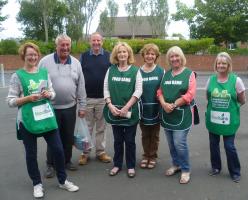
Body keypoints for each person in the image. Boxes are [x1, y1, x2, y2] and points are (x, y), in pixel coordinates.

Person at [7, 42, 79, 198]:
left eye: (34, 54)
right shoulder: (17, 76)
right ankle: (37, 184)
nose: (32, 57)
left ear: (37, 56)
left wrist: (49, 94)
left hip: (45, 116)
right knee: (31, 154)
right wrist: (27, 98)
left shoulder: (44, 73)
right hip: (28, 120)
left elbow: (52, 92)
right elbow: (10, 101)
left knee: (59, 150)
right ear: (23, 56)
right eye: (29, 55)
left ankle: (62, 180)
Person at [38, 34, 87, 177]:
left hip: (70, 107)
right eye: (62, 45)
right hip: (50, 108)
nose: (65, 48)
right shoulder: (45, 62)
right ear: (57, 46)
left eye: (67, 45)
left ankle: (66, 161)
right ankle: (50, 164)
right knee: (52, 137)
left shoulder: (76, 63)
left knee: (68, 137)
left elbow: (81, 86)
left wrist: (82, 106)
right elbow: (39, 82)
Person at [103, 42, 143, 178]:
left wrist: (126, 107)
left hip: (130, 112)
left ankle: (131, 165)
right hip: (114, 111)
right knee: (118, 140)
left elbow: (138, 90)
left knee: (130, 141)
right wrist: (110, 105)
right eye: (119, 52)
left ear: (129, 54)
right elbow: (106, 88)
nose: (122, 54)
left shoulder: (135, 71)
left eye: (124, 52)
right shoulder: (111, 70)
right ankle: (117, 164)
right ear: (116, 55)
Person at [157, 46, 196, 184]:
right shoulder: (166, 74)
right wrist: (163, 104)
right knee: (171, 144)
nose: (174, 59)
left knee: (179, 143)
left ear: (181, 57)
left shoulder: (189, 74)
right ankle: (176, 164)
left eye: (176, 56)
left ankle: (185, 169)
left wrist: (173, 105)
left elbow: (190, 95)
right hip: (167, 114)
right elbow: (160, 92)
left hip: (182, 115)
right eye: (171, 57)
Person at [205, 52, 246, 183]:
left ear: (228, 65)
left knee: (229, 146)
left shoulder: (236, 80)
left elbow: (242, 100)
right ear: (216, 64)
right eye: (219, 63)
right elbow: (208, 96)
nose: (221, 65)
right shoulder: (211, 79)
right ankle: (216, 167)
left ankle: (235, 171)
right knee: (213, 144)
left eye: (224, 63)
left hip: (229, 121)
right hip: (213, 119)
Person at [79, 32, 111, 165]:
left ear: (102, 42)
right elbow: (79, 77)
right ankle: (85, 153)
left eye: (98, 41)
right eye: (94, 41)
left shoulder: (109, 56)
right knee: (87, 128)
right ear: (90, 42)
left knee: (101, 128)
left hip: (103, 99)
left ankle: (100, 152)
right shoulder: (84, 56)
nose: (96, 43)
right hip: (87, 98)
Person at [139, 43, 164, 169]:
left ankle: (152, 156)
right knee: (144, 134)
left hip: (156, 108)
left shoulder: (161, 71)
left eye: (152, 54)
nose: (150, 56)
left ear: (156, 56)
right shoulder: (138, 71)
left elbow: (163, 90)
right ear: (143, 55)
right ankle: (145, 155)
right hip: (143, 108)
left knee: (155, 134)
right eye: (147, 53)